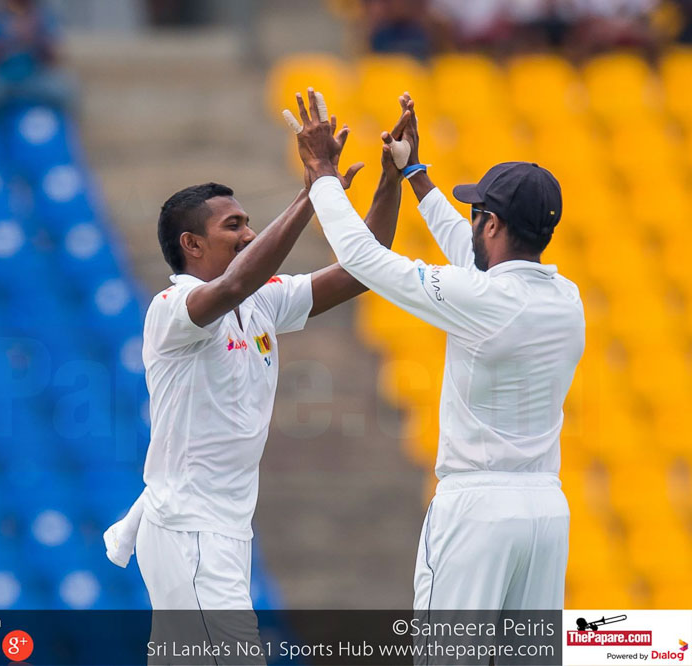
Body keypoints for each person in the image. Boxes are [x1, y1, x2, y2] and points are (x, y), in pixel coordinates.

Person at [105, 92, 410, 656]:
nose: (248, 234)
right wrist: (314, 189)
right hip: (190, 528)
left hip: (221, 529)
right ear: (192, 245)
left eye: (248, 223)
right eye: (234, 226)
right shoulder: (173, 309)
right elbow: (235, 284)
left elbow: (361, 272)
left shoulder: (262, 300)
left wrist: (390, 181)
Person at [294, 90, 584, 610]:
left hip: (477, 512)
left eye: (477, 214)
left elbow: (361, 256)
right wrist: (414, 174)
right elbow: (475, 260)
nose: (471, 223)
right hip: (546, 511)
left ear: (491, 225)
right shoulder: (567, 299)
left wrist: (321, 174)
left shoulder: (485, 300)